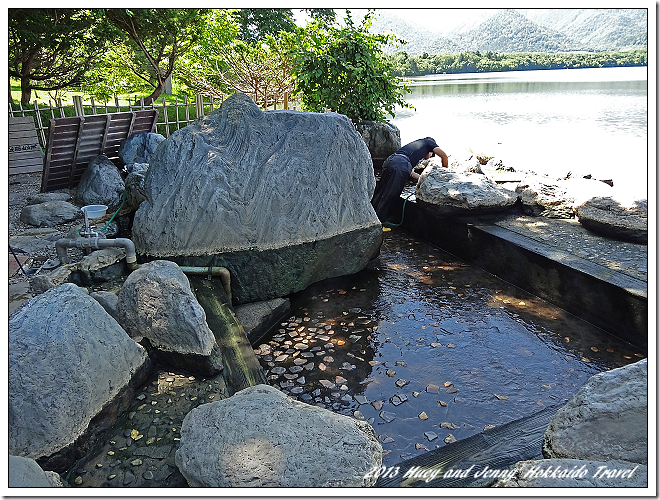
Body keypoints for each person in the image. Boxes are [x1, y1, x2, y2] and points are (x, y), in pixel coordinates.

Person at [371, 137, 449, 223]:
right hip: (401, 164)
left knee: (381, 190)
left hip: (391, 161)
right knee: (391, 194)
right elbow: (444, 156)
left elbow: (411, 173)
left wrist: (424, 180)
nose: (429, 157)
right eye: (431, 154)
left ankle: (371, 217)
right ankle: (380, 222)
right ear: (431, 150)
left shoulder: (414, 149)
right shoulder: (430, 142)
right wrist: (444, 174)